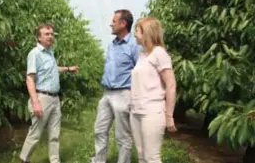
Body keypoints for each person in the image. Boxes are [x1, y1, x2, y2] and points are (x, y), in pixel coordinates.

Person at [19, 23, 79, 163]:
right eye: (47, 34)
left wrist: (69, 69)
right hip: (42, 98)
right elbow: (30, 78)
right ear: (39, 37)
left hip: (55, 99)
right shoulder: (35, 54)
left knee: (54, 135)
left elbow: (53, 69)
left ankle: (55, 161)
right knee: (35, 134)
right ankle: (24, 159)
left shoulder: (50, 52)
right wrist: (36, 103)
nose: (50, 36)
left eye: (52, 34)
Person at [91, 9, 141, 163]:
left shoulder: (134, 45)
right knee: (99, 130)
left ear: (123, 23)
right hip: (107, 93)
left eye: (114, 21)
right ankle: (98, 161)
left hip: (123, 94)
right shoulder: (111, 45)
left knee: (123, 136)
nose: (110, 24)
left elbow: (140, 72)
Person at [130, 17, 177, 163]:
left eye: (137, 31)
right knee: (141, 155)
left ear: (147, 33)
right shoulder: (142, 55)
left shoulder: (159, 53)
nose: (135, 34)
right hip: (136, 111)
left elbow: (171, 85)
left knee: (152, 157)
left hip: (152, 111)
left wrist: (169, 115)